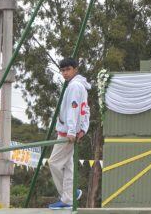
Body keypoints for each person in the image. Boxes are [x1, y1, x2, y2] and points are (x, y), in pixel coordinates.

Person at [47, 57, 90, 210]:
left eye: (68, 70)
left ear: (75, 69)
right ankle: (70, 195)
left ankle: (68, 196)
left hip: (67, 133)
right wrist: (83, 128)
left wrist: (73, 131)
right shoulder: (80, 86)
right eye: (63, 70)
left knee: (54, 163)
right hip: (70, 131)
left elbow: (74, 109)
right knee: (68, 166)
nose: (65, 73)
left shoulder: (74, 86)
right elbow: (85, 109)